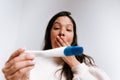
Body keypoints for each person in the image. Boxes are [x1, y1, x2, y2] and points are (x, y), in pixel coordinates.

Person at [2, 11, 111, 80]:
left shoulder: (85, 63)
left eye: (68, 29)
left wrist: (75, 64)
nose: (62, 32)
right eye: (56, 28)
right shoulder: (31, 63)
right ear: (49, 34)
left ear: (73, 37)